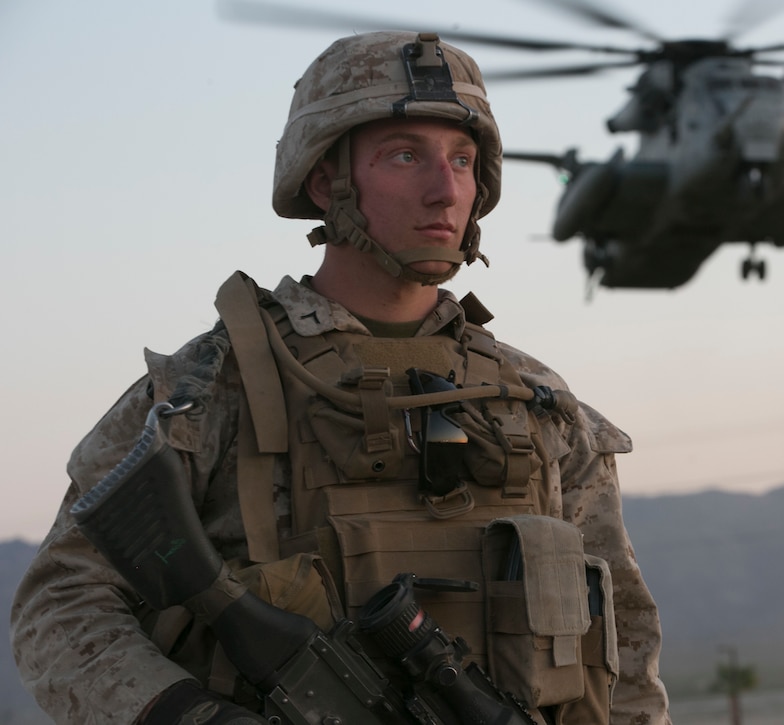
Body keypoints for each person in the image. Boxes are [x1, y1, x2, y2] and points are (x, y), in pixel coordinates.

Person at [10, 31, 671, 725]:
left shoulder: (537, 404)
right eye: (405, 155)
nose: (445, 189)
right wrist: (187, 714)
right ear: (327, 181)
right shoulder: (209, 389)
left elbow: (622, 642)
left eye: (463, 159)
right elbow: (61, 602)